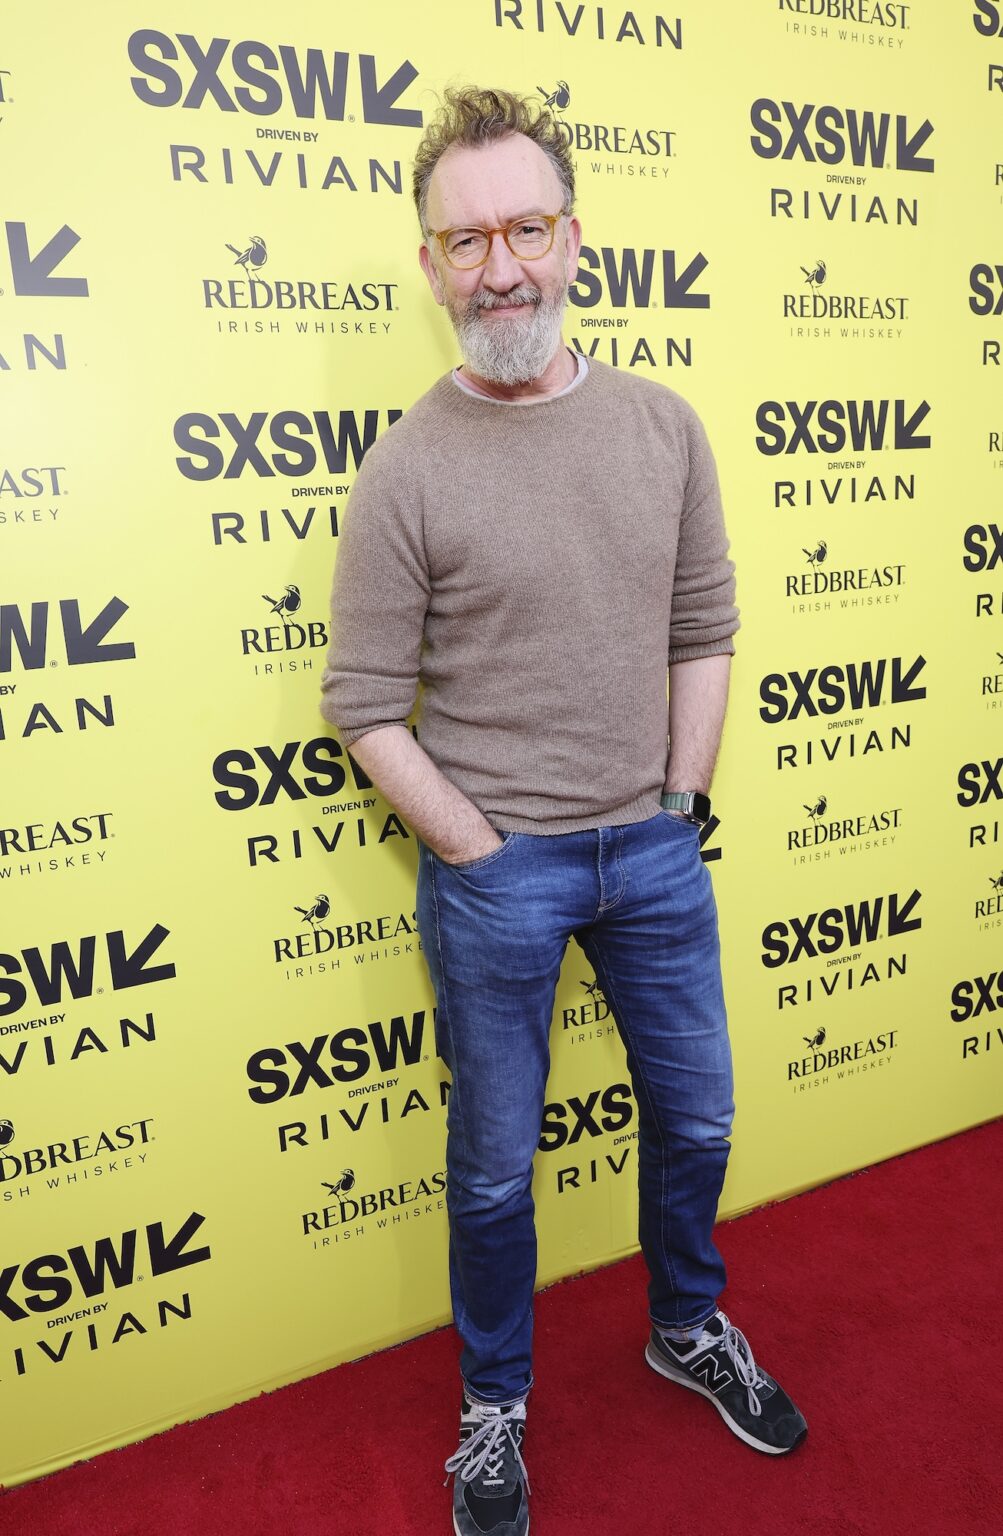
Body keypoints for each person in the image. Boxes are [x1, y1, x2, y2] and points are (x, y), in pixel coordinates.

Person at [320, 85, 807, 1536]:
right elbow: (360, 703)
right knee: (489, 1171)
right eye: (465, 241)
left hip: (655, 852)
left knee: (701, 1120)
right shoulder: (405, 468)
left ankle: (684, 1322)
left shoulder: (664, 428)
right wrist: (479, 849)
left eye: (526, 227)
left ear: (576, 237)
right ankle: (493, 1409)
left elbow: (704, 628)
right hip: (499, 876)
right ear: (430, 266)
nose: (501, 267)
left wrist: (678, 801)